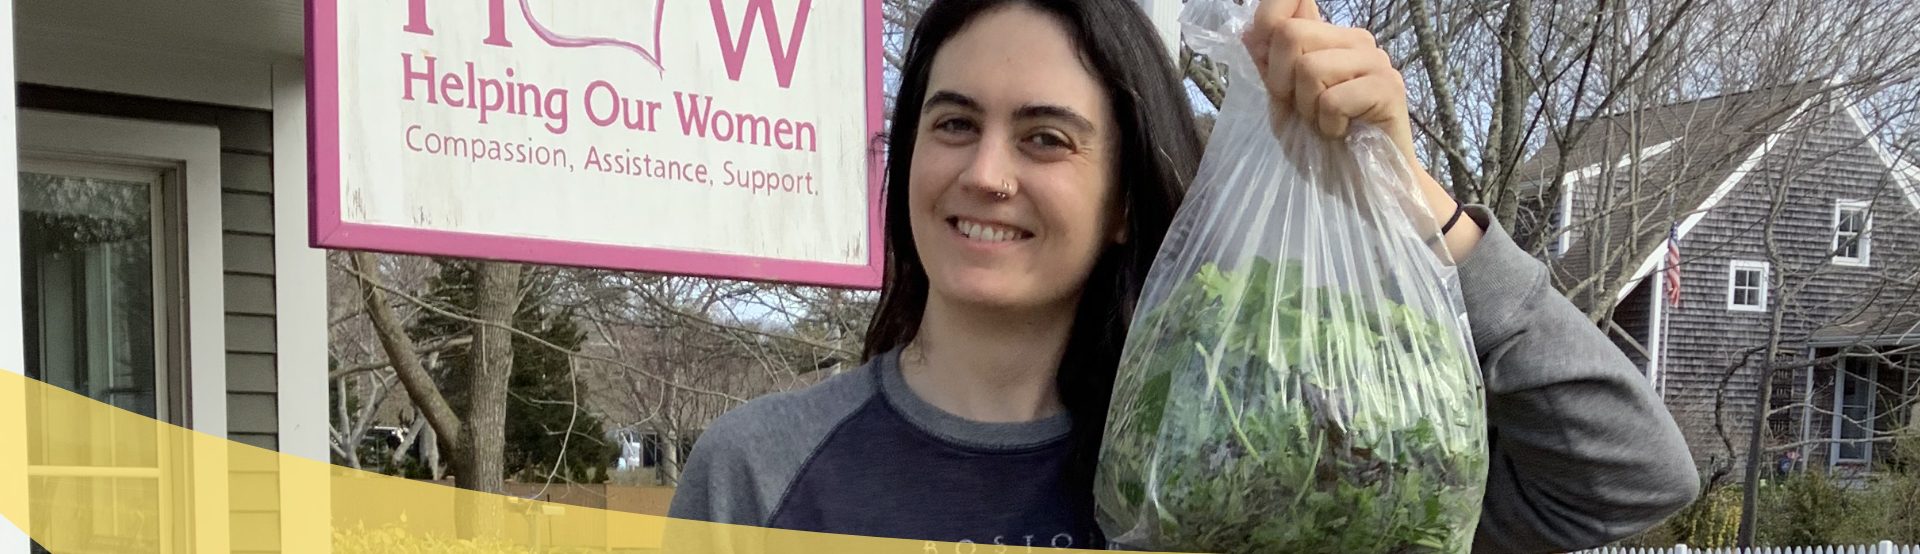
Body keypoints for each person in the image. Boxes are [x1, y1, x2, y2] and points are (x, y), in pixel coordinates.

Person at [667, 0, 1700, 552]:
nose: (986, 173)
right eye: (953, 124)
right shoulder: (763, 469)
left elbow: (1629, 474)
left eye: (1045, 137)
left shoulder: (1236, 458)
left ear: (1123, 200)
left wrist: (1413, 194)